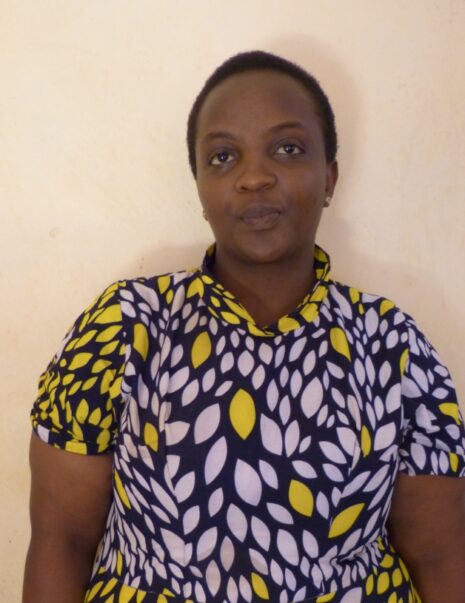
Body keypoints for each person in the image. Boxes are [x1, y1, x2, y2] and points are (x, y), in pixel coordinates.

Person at [23, 51, 465, 603]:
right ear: (200, 188)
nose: (255, 177)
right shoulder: (125, 325)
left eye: (288, 148)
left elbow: (439, 555)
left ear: (329, 177)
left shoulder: (393, 345)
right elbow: (62, 540)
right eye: (223, 156)